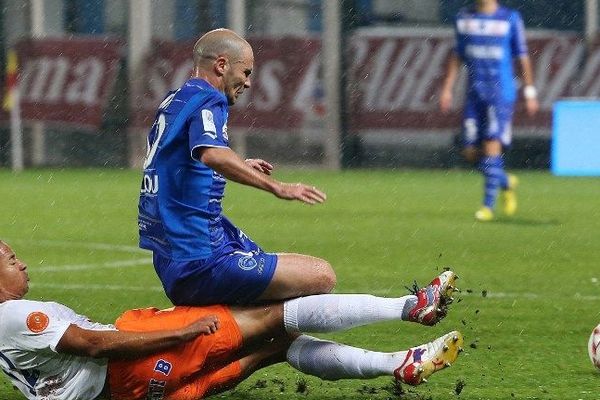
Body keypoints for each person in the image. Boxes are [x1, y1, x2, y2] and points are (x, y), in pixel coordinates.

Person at [0, 240, 462, 399]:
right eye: (11, 259)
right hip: (135, 363)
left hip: (135, 392)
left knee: (276, 348)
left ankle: (400, 362)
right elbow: (95, 345)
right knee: (272, 316)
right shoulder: (14, 315)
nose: (20, 264)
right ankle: (410, 308)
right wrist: (175, 333)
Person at [137, 28, 336, 306]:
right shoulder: (209, 98)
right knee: (321, 275)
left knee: (275, 288)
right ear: (221, 65)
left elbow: (174, 160)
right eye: (246, 73)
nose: (249, 83)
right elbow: (212, 154)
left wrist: (239, 164)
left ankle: (231, 335)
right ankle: (404, 310)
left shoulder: (176, 99)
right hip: (199, 256)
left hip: (171, 253)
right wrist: (278, 187)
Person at [439, 0, 539, 222]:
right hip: (475, 95)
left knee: (492, 146)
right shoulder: (464, 19)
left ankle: (488, 207)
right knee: (470, 153)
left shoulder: (510, 19)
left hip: (500, 94)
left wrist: (530, 92)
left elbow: (522, 57)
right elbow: (458, 55)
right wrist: (447, 88)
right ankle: (505, 181)